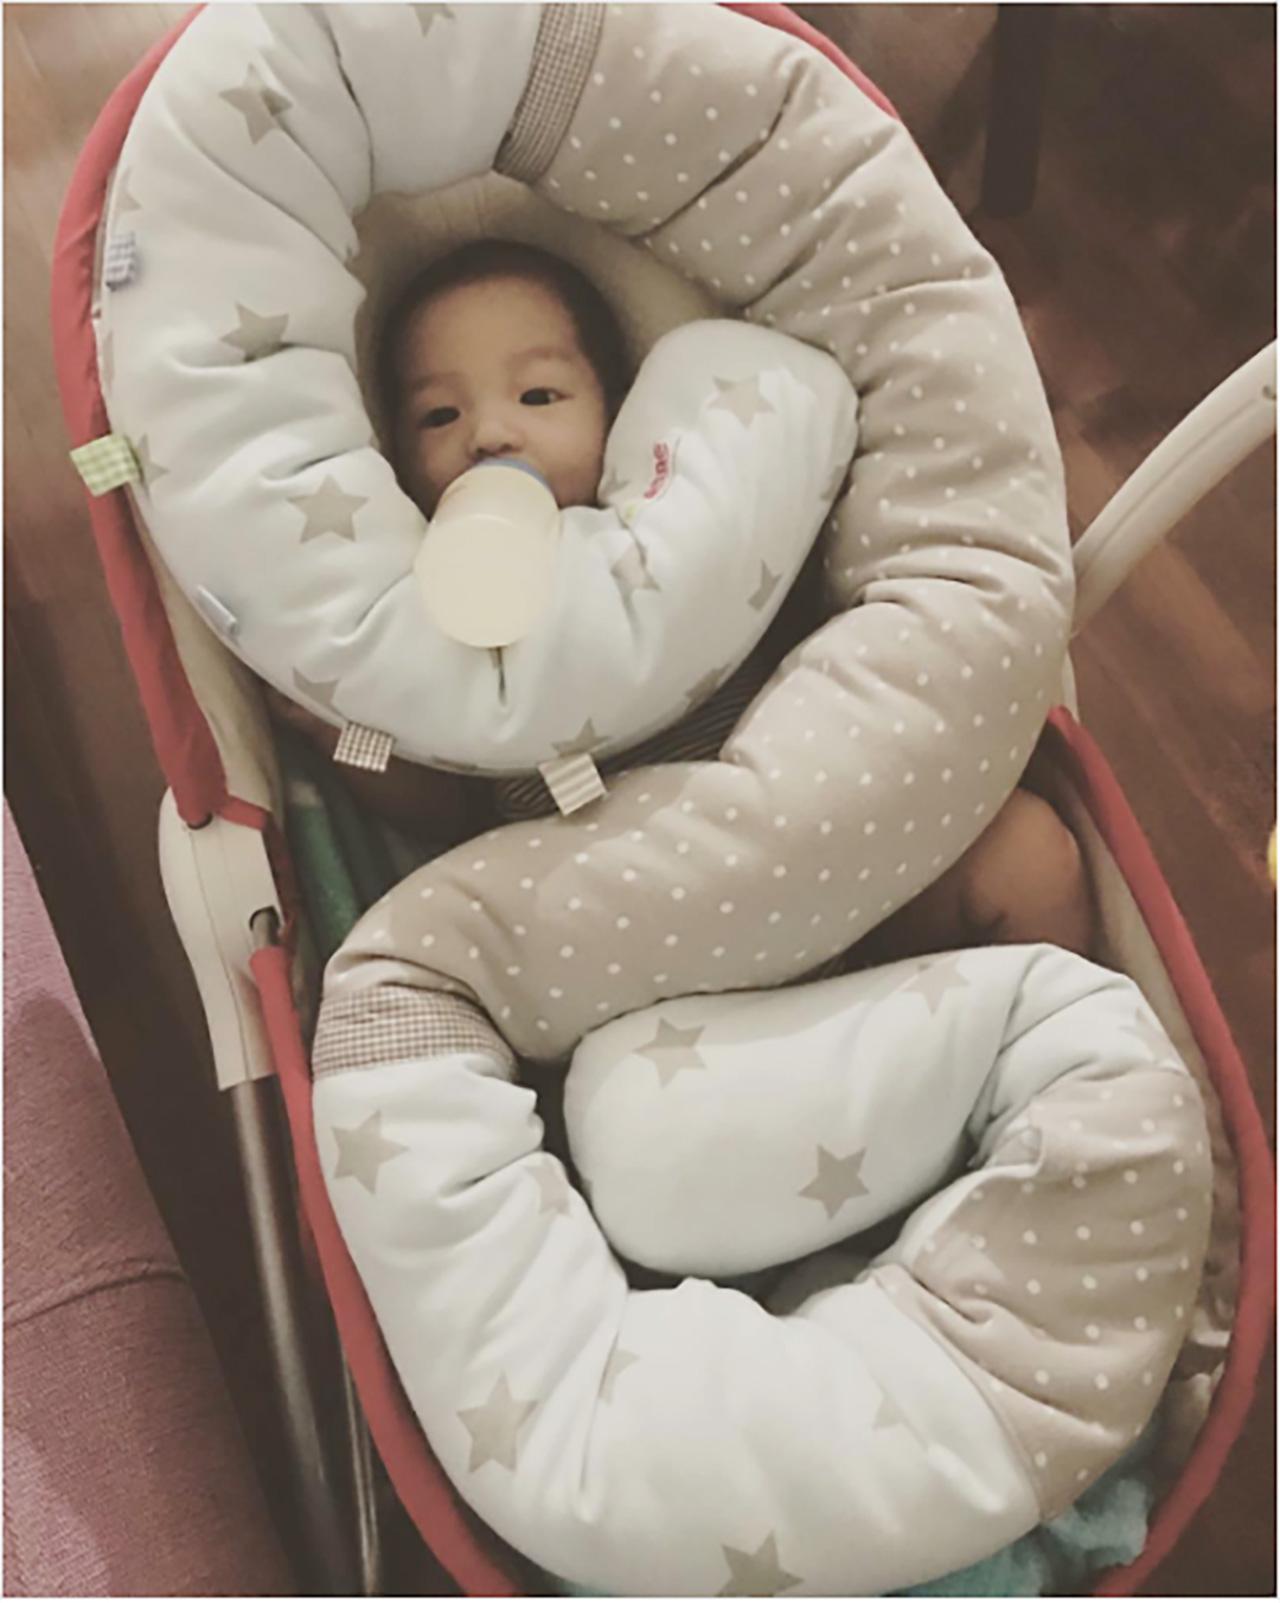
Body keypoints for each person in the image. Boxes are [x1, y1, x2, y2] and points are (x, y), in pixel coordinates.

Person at [269, 240, 1096, 958]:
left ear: (619, 415)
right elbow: (447, 806)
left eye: (538, 396)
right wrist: (344, 730)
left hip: (821, 868)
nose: (488, 435)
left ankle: (1059, 1056)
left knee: (1029, 858)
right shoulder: (440, 605)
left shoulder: (690, 529)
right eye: (438, 415)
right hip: (633, 940)